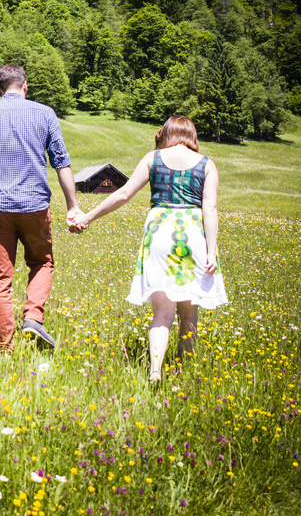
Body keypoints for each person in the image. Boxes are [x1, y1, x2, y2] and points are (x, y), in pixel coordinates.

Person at [71, 115, 228, 381]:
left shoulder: (153, 158)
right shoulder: (206, 164)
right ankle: (184, 371)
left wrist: (87, 217)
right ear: (192, 136)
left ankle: (155, 370)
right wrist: (211, 251)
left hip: (159, 231)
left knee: (163, 312)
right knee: (189, 312)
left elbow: (122, 194)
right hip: (192, 233)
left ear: (166, 133)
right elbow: (210, 209)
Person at [0, 64, 82, 352]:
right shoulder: (45, 114)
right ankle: (33, 317)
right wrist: (73, 206)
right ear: (25, 87)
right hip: (34, 205)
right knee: (41, 262)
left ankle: (4, 347)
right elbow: (61, 163)